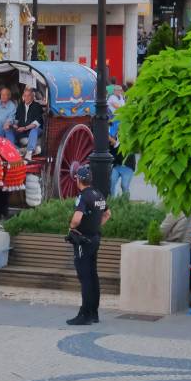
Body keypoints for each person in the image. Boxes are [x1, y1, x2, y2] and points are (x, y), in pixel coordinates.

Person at [66, 166, 110, 326]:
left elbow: (77, 218)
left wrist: (71, 228)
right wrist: (96, 226)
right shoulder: (99, 194)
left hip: (83, 241)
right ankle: (94, 313)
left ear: (78, 180)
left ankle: (84, 314)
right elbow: (107, 213)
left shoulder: (83, 197)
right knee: (93, 276)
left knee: (85, 278)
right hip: (95, 239)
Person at [14, 87, 44, 161]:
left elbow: (36, 123)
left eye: (29, 95)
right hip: (22, 130)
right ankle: (15, 150)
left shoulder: (37, 106)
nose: (26, 98)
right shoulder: (20, 106)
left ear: (33, 96)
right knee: (8, 131)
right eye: (25, 95)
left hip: (36, 130)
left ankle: (29, 152)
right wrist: (15, 125)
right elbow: (16, 119)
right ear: (23, 96)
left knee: (34, 130)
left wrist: (24, 128)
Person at [109, 128, 136, 199]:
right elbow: (111, 153)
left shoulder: (128, 141)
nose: (119, 133)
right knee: (112, 181)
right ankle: (112, 200)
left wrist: (115, 143)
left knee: (124, 185)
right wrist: (112, 142)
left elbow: (122, 155)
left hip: (127, 167)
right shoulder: (113, 140)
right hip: (117, 166)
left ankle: (125, 202)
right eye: (118, 131)